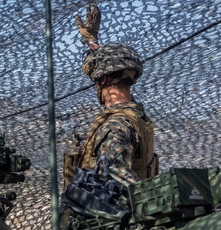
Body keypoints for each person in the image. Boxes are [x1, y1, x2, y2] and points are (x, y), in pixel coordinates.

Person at [64, 1, 158, 189]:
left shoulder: (116, 126)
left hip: (109, 217)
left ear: (104, 79)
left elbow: (116, 177)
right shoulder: (136, 117)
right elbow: (112, 67)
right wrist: (92, 42)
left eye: (96, 78)